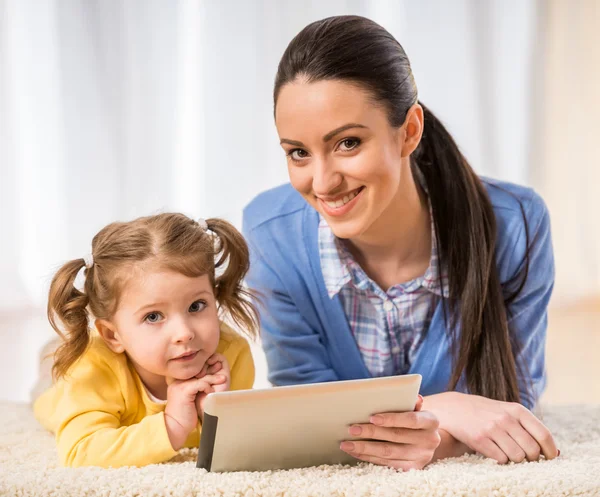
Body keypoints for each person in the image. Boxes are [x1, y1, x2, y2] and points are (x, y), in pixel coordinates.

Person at [243, 15, 559, 470]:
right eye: (298, 152)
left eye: (348, 143)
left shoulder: (518, 223)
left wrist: (436, 436)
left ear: (409, 130)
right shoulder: (269, 233)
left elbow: (512, 411)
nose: (323, 181)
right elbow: (307, 412)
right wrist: (444, 410)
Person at [33, 213, 257, 468]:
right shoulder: (90, 367)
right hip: (61, 383)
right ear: (112, 335)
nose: (184, 333)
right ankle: (51, 354)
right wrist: (171, 425)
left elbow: (241, 446)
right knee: (54, 370)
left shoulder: (231, 352)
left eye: (196, 305)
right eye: (153, 316)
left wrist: (214, 414)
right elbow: (80, 452)